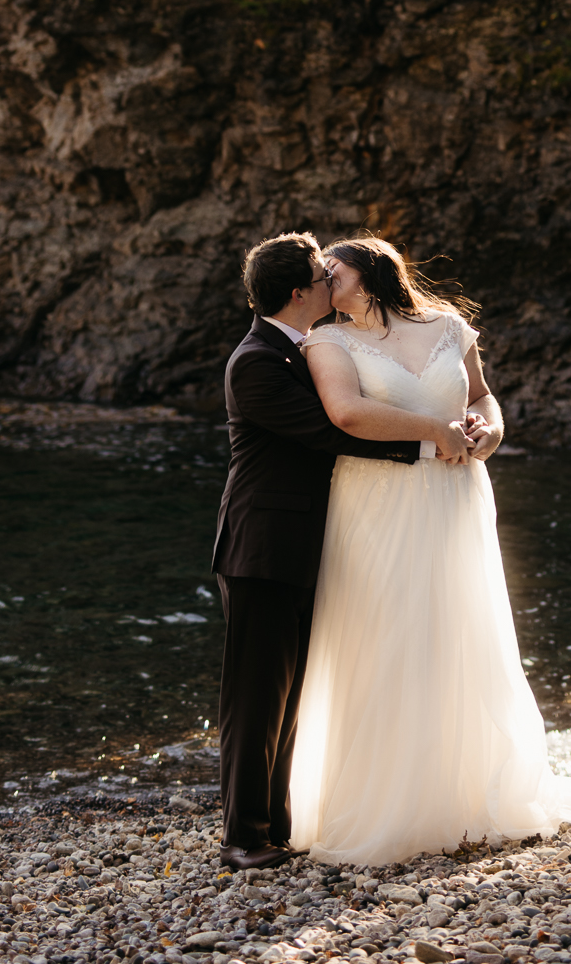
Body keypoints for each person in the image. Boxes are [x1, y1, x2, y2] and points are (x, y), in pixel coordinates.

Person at [288, 235, 571, 866]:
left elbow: (483, 400)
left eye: (334, 269)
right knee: (383, 631)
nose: (324, 280)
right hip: (377, 502)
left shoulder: (447, 327)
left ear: (372, 273)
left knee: (459, 631)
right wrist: (436, 431)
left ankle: (463, 793)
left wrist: (486, 432)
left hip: (454, 495)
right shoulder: (327, 341)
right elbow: (348, 416)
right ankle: (378, 801)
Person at [211, 231, 473, 871]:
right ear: (301, 292)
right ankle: (243, 839)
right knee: (255, 697)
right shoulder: (258, 361)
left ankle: (275, 826)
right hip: (262, 546)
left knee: (290, 690)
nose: (333, 281)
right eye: (321, 276)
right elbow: (329, 430)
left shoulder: (299, 348)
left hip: (303, 543)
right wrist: (425, 444)